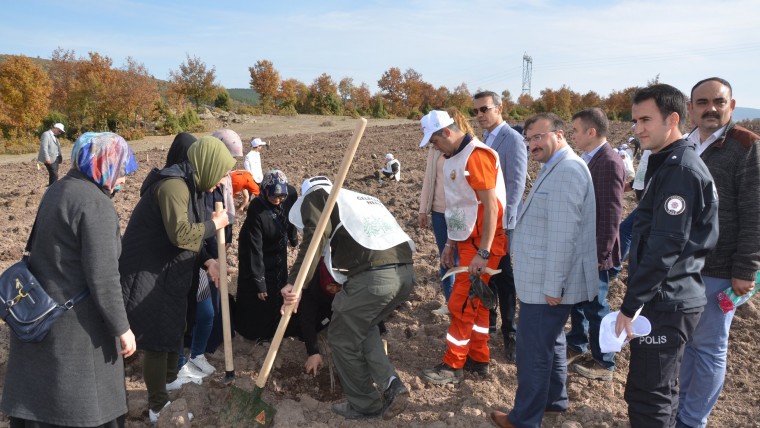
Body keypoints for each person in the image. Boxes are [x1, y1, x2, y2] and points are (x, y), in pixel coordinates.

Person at [2, 132, 138, 427]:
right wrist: (122, 328)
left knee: (41, 406)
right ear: (103, 164)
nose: (125, 178)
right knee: (84, 409)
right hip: (76, 331)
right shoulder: (96, 205)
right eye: (121, 169)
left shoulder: (59, 189)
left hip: (41, 318)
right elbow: (103, 278)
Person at [614, 84, 718, 427]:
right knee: (659, 389)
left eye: (646, 119)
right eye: (634, 120)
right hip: (667, 297)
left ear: (672, 119)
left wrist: (632, 305)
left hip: (667, 300)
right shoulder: (670, 163)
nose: (637, 128)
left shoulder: (679, 171)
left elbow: (665, 247)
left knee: (649, 394)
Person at [490, 113, 597, 428]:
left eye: (538, 137)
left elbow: (563, 235)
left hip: (547, 284)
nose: (532, 144)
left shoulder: (566, 171)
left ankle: (524, 419)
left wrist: (554, 286)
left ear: (559, 134)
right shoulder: (557, 167)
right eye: (528, 139)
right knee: (551, 339)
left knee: (533, 350)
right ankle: (553, 399)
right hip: (545, 281)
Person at [120, 136, 234, 422]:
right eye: (221, 173)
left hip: (170, 272)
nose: (222, 182)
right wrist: (214, 224)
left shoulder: (193, 188)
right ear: (208, 165)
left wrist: (208, 261)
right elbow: (181, 234)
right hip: (148, 272)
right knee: (158, 339)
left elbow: (187, 240)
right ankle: (157, 406)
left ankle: (171, 380)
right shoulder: (174, 186)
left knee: (174, 327)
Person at [281, 176, 415, 421]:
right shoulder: (360, 199)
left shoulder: (318, 195)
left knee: (340, 336)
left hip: (373, 278)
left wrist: (295, 282)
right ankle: (391, 384)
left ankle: (365, 404)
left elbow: (314, 239)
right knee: (364, 328)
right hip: (405, 273)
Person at [677, 77, 760, 428]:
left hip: (720, 268)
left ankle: (693, 420)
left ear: (732, 105)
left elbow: (755, 211)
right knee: (686, 344)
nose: (711, 108)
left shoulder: (746, 146)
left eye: (718, 102)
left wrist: (746, 268)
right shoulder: (684, 145)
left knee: (709, 346)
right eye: (702, 102)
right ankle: (679, 408)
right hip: (683, 266)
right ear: (691, 108)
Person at [417, 110, 507, 384]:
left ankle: (452, 365)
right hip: (467, 240)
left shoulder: (476, 156)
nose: (434, 147)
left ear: (446, 132)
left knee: (461, 303)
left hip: (483, 243)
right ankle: (479, 359)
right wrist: (450, 244)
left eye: (434, 140)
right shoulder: (454, 157)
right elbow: (460, 207)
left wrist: (483, 252)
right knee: (477, 305)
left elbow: (490, 207)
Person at [566, 108, 626, 382]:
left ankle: (605, 362)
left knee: (595, 305)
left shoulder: (608, 162)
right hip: (581, 248)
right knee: (578, 300)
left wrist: (602, 254)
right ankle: (577, 344)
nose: (572, 135)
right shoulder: (588, 158)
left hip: (595, 251)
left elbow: (611, 214)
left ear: (591, 132)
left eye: (576, 130)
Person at [472, 90, 528, 362]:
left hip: (503, 223)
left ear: (499, 108)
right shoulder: (485, 139)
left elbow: (516, 185)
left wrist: (504, 223)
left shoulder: (513, 140)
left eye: (484, 109)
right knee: (490, 274)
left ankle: (511, 332)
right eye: (476, 111)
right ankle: (489, 323)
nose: (480, 115)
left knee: (504, 275)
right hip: (486, 220)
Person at [236, 170, 298, 341]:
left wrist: (292, 237)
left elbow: (291, 216)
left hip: (278, 246)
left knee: (280, 284)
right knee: (262, 293)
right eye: (274, 198)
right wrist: (259, 281)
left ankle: (279, 327)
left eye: (281, 197)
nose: (278, 201)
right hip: (257, 248)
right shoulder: (257, 208)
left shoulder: (290, 194)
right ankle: (258, 333)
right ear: (264, 192)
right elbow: (255, 248)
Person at [418, 108, 469, 316]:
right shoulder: (435, 150)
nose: (434, 146)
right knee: (446, 259)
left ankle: (465, 304)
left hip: (462, 214)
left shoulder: (468, 152)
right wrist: (424, 209)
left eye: (435, 141)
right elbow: (429, 180)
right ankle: (451, 303)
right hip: (440, 212)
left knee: (463, 260)